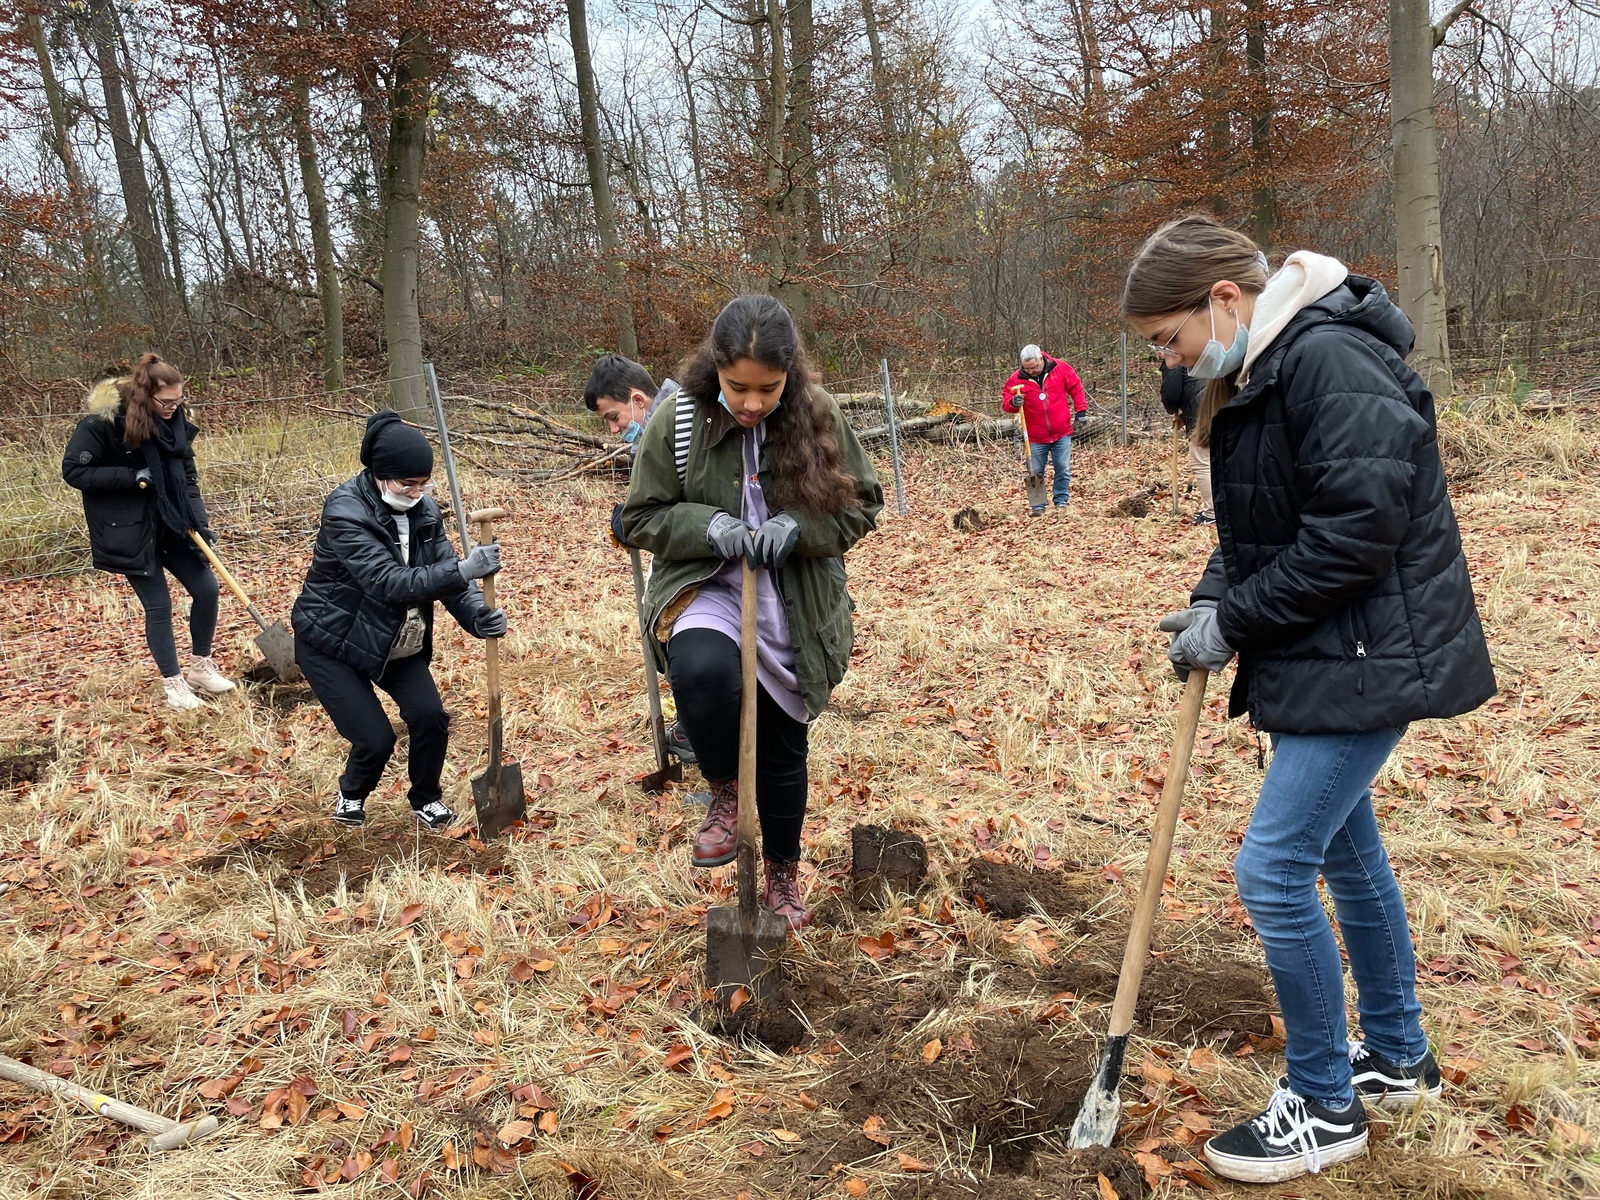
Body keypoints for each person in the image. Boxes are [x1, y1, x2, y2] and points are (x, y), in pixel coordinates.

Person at [1123, 214, 1496, 1184]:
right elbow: (1266, 521)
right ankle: (1397, 1058)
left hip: (1370, 650)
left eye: (1169, 338)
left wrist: (1236, 620)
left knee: (1272, 869)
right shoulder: (1269, 368)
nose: (1169, 359)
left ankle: (1325, 1103)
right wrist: (1213, 598)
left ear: (1224, 299)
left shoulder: (1327, 360)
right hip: (1336, 651)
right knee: (1344, 850)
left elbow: (1350, 538)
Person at [619, 295, 883, 931]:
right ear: (716, 369)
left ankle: (784, 875)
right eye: (738, 387)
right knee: (704, 671)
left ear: (790, 374)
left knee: (782, 748)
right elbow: (639, 517)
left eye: (768, 389)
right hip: (706, 583)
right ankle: (723, 790)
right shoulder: (677, 418)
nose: (751, 403)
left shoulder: (817, 415)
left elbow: (862, 504)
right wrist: (708, 524)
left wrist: (798, 524)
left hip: (791, 599)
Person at [290, 411, 506, 832]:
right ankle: (352, 793)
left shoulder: (423, 511)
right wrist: (464, 569)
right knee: (375, 738)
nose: (416, 492)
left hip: (393, 638)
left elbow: (445, 577)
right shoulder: (345, 511)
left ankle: (426, 797)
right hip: (331, 642)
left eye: (423, 484)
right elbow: (387, 582)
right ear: (378, 474)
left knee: (430, 717)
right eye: (406, 484)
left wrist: (477, 616)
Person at [62, 354, 235, 711]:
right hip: (127, 530)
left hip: (172, 522)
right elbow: (75, 472)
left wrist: (199, 524)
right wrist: (134, 477)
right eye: (166, 402)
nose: (174, 407)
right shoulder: (103, 424)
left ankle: (200, 667)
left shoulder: (175, 425)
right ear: (144, 397)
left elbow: (187, 480)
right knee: (160, 605)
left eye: (178, 400)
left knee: (207, 590)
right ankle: (174, 686)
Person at [1001, 345, 1088, 514]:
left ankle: (1061, 501)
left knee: (1062, 467)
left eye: (1034, 367)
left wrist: (1081, 411)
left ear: (1041, 359)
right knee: (1035, 471)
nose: (1031, 371)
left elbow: (1076, 388)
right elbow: (1006, 402)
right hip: (1034, 436)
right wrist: (1013, 403)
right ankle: (1038, 506)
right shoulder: (1016, 379)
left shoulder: (1060, 368)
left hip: (1061, 431)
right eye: (1027, 368)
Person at [1159, 360, 1214, 524]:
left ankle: (1212, 514)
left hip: (1203, 416)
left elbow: (1171, 396)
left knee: (1202, 461)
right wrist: (1184, 417)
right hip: (1218, 406)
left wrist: (1172, 409)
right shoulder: (1200, 351)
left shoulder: (1173, 360)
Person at [583, 352, 681, 443]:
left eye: (614, 417)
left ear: (638, 400)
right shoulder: (665, 438)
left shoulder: (685, 434)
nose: (613, 430)